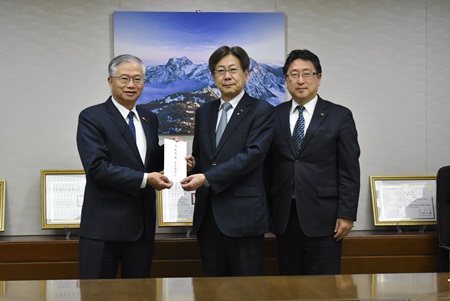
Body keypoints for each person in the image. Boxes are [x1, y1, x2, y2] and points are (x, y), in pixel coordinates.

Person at [76, 54, 173, 279]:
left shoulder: (149, 117)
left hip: (142, 229)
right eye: (124, 78)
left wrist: (173, 157)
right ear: (110, 81)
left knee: (139, 294)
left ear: (144, 84)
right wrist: (145, 179)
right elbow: (97, 167)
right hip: (103, 228)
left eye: (137, 79)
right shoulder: (92, 117)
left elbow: (146, 162)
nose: (131, 85)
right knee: (96, 295)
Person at [180, 45, 274, 276]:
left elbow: (252, 156)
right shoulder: (205, 112)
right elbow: (203, 157)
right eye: (220, 71)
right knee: (211, 287)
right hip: (208, 215)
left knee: (246, 288)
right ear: (213, 76)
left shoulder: (262, 111)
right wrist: (193, 164)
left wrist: (207, 177)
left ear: (246, 74)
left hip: (243, 216)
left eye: (233, 69)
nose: (227, 76)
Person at [266, 49, 360, 275]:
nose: (300, 81)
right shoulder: (273, 115)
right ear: (286, 80)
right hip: (285, 216)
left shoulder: (339, 116)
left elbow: (349, 169)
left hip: (325, 218)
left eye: (307, 74)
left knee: (325, 289)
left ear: (319, 78)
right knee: (289, 287)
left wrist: (347, 214)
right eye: (293, 74)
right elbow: (265, 167)